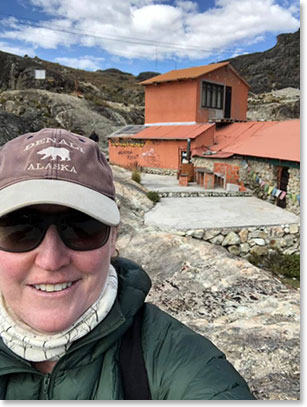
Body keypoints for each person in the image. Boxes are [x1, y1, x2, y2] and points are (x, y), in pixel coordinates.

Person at [0, 128, 255, 400]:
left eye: (82, 228)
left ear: (113, 239)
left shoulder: (177, 360)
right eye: (19, 229)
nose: (51, 260)